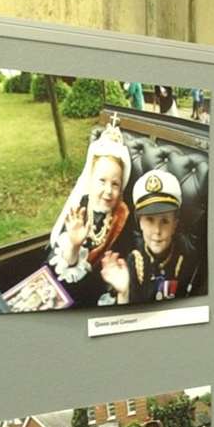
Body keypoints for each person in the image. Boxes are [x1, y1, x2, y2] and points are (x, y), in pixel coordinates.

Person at [45, 125, 133, 307]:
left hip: (94, 293)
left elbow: (116, 269)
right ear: (91, 180)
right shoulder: (80, 207)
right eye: (102, 181)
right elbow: (62, 266)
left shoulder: (123, 216)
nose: (108, 191)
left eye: (115, 184)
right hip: (63, 286)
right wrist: (75, 245)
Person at [101, 169, 202, 305]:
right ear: (139, 223)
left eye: (165, 221)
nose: (157, 230)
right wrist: (124, 292)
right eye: (149, 220)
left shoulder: (187, 259)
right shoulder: (131, 263)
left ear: (175, 225)